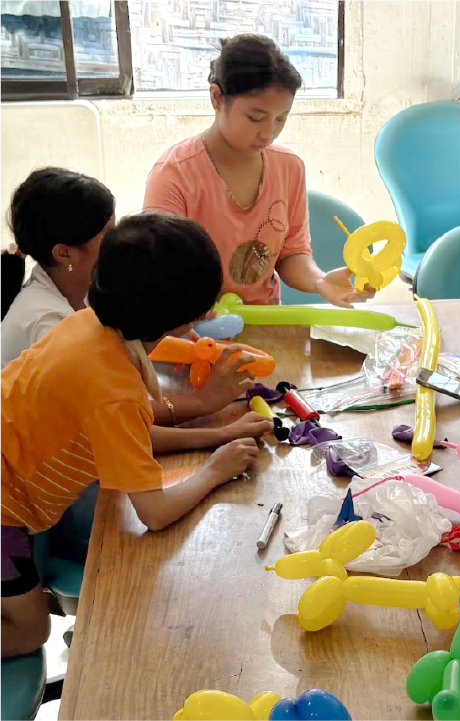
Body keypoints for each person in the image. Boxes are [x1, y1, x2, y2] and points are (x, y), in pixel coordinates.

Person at [0, 214, 263, 658]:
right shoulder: (113, 389)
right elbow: (154, 513)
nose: (210, 316)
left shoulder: (88, 324)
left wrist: (216, 435)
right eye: (205, 308)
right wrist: (215, 471)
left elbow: (127, 434)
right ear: (179, 318)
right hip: (3, 508)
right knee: (29, 632)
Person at [0, 168, 270, 454]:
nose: (120, 240)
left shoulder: (86, 288)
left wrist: (169, 327)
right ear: (64, 253)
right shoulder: (50, 323)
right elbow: (114, 427)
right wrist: (209, 413)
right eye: (108, 234)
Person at [144, 34, 371, 308]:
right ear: (217, 98)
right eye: (255, 118)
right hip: (194, 325)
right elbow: (159, 274)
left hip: (266, 320)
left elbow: (291, 254)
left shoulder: (289, 168)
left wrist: (319, 281)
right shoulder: (174, 175)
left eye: (281, 118)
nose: (269, 132)